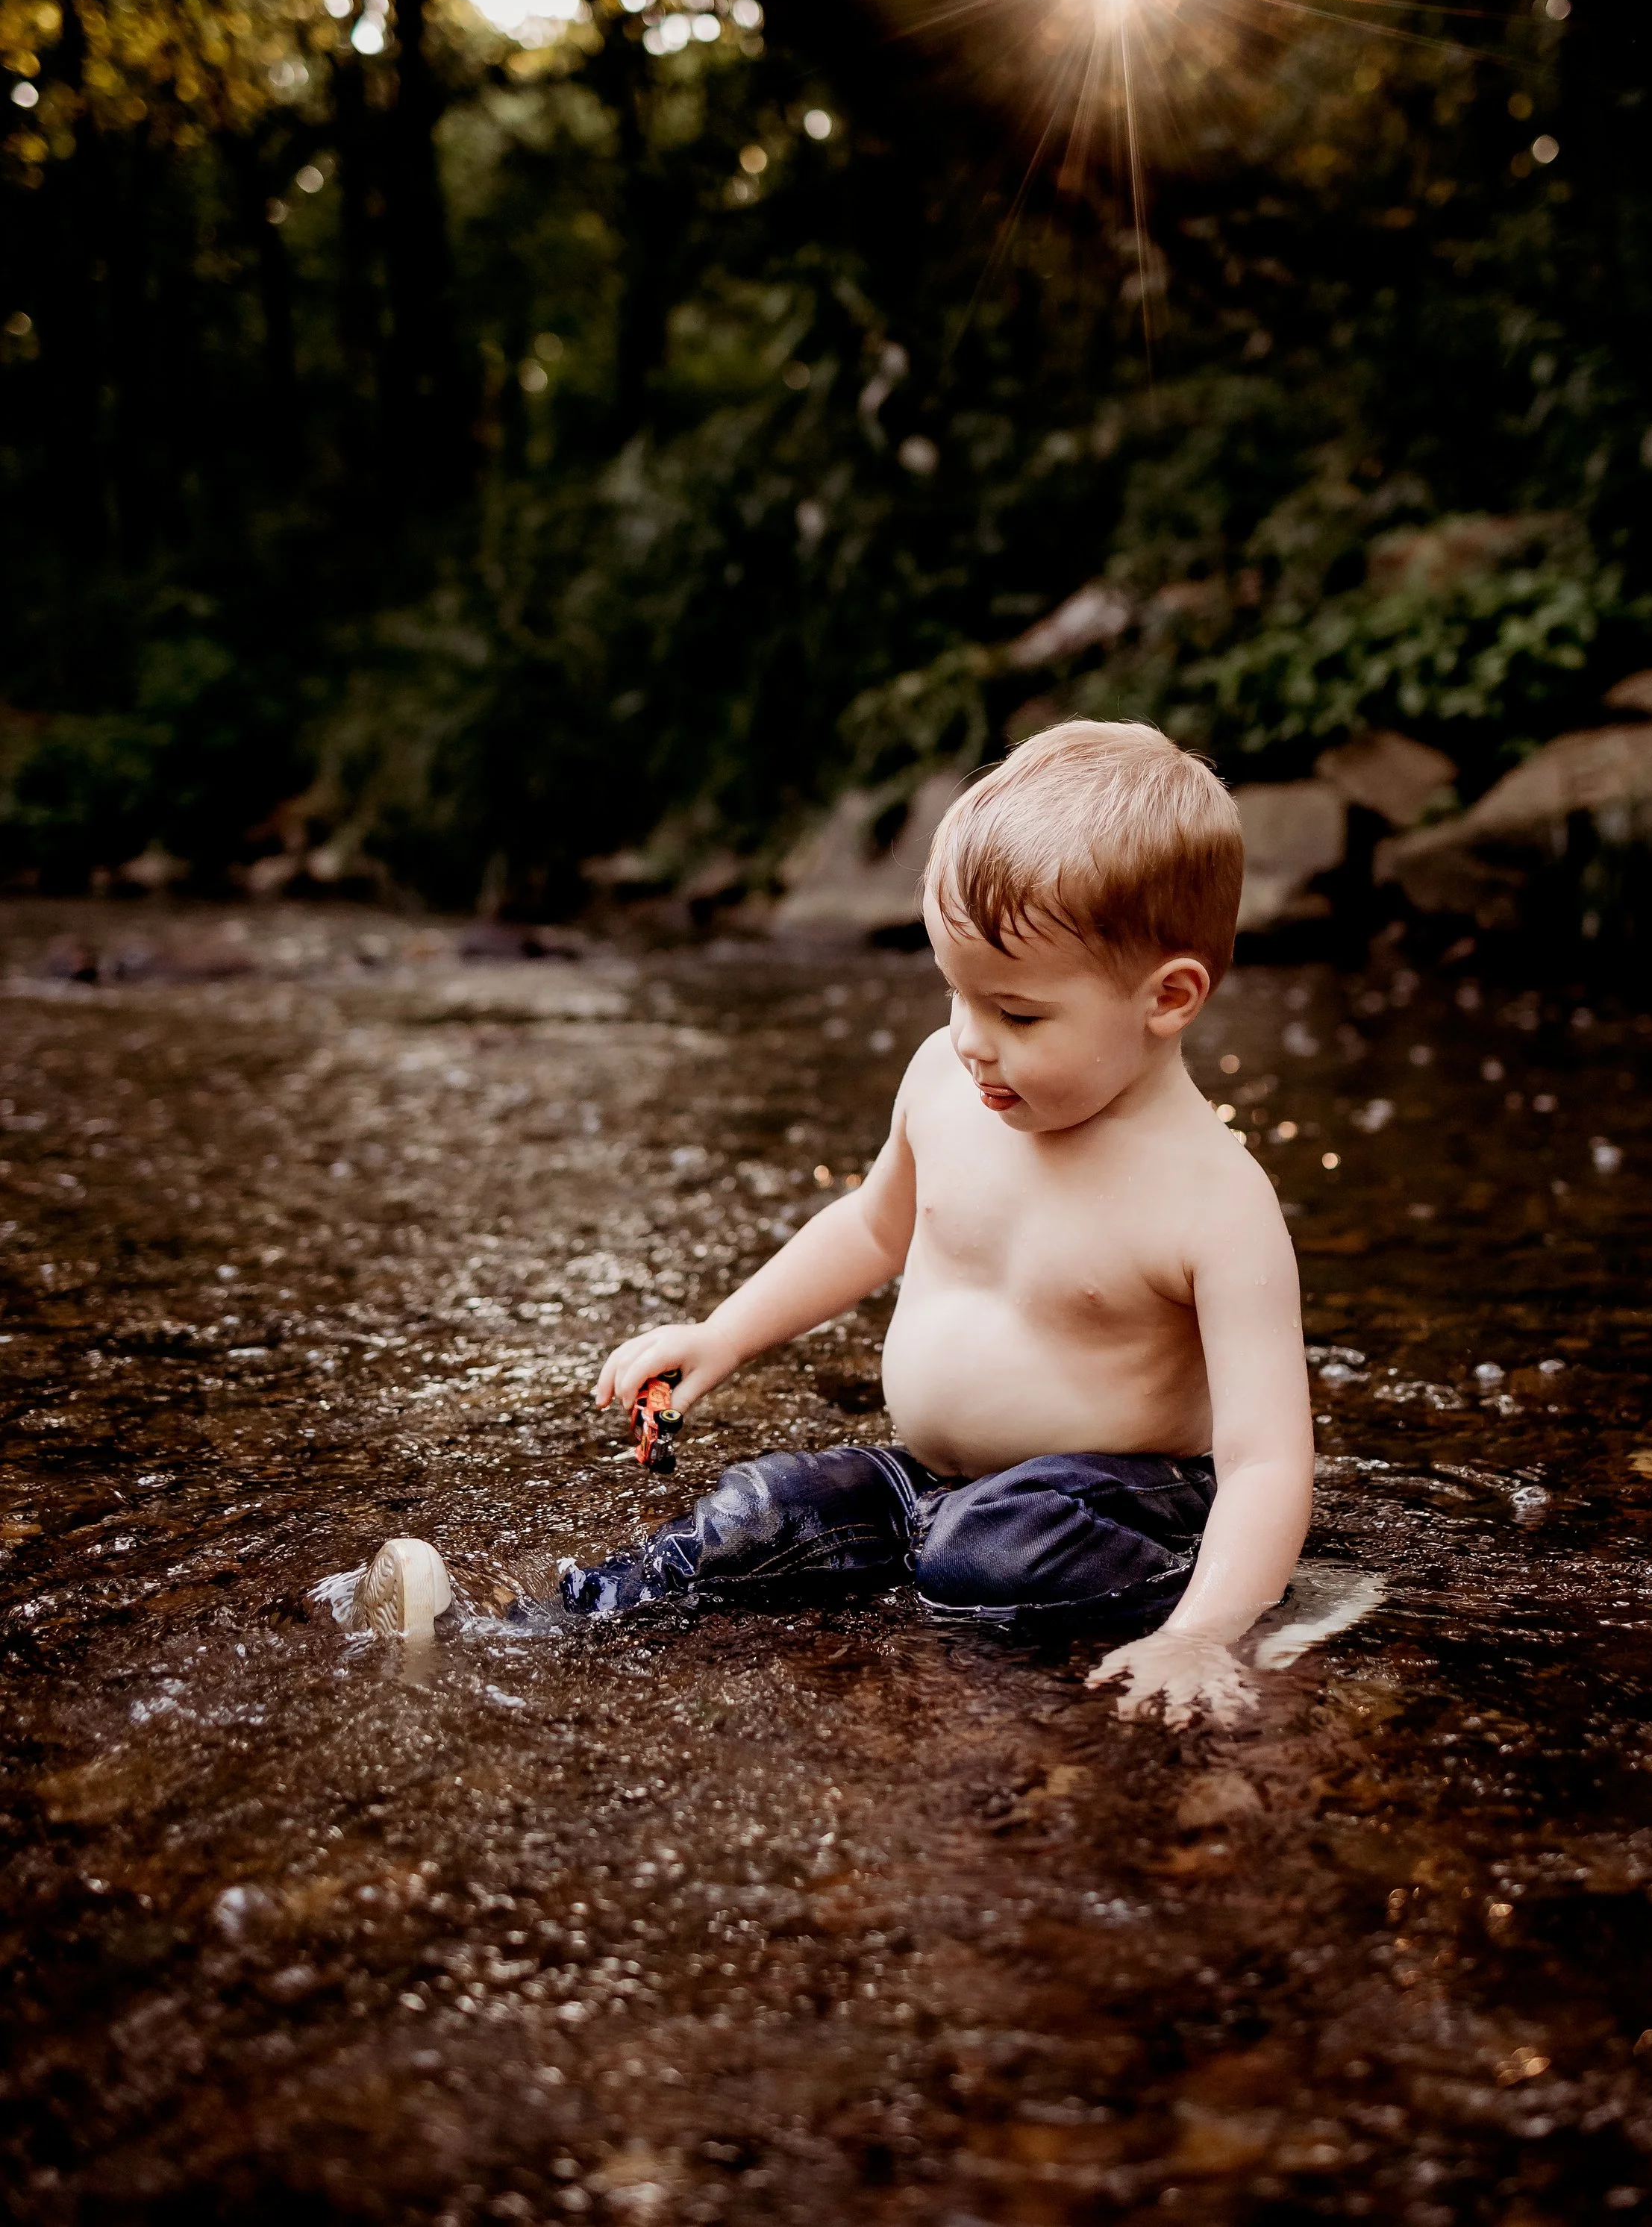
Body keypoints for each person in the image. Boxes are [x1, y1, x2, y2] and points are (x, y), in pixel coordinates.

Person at [351, 720, 1312, 1726]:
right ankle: (524, 1618)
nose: (971, 1040)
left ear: (1169, 997)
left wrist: (1205, 1633)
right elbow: (868, 1229)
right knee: (760, 1509)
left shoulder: (1213, 1199)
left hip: (1118, 1506)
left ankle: (1234, 1598)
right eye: (956, 993)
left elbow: (1267, 1459)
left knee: (989, 1553)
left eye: (1018, 1015)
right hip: (925, 1484)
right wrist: (721, 1333)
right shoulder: (947, 1082)